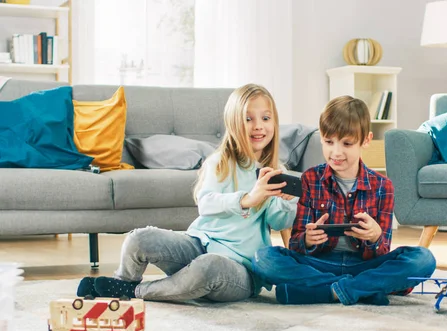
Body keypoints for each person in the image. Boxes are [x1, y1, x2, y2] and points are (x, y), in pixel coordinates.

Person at [76, 84, 298, 302]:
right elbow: (206, 204)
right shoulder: (220, 162)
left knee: (209, 266)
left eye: (266, 118)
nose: (258, 126)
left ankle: (136, 292)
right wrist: (247, 199)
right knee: (139, 238)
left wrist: (287, 203)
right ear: (233, 123)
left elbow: (278, 222)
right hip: (198, 245)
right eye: (248, 119)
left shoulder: (275, 172)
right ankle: (122, 282)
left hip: (240, 269)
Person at [252, 95, 436, 306]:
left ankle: (326, 292)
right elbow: (295, 245)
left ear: (365, 140)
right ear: (321, 137)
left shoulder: (383, 186)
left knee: (423, 259)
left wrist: (375, 236)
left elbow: (382, 251)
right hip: (318, 264)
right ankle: (361, 290)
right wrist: (308, 240)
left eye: (347, 144)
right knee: (263, 258)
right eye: (329, 142)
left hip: (364, 265)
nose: (336, 152)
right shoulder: (310, 179)